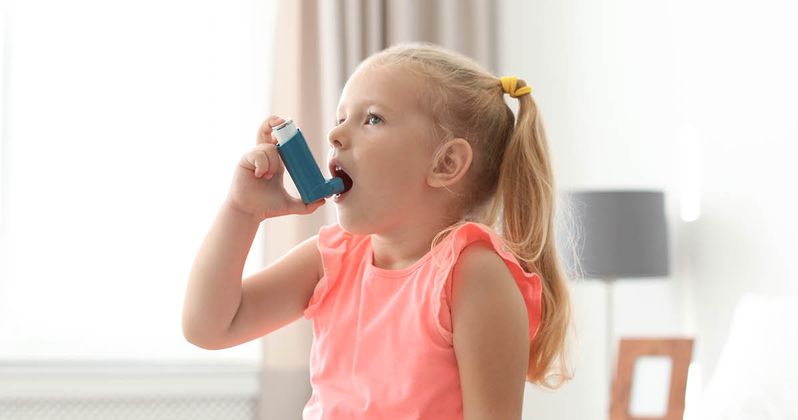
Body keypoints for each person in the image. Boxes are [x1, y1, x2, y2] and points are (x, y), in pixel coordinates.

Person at [183, 43, 573, 419]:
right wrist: (241, 211)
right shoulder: (333, 258)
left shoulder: (473, 274)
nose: (335, 136)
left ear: (446, 162)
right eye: (340, 118)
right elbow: (211, 327)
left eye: (372, 118)